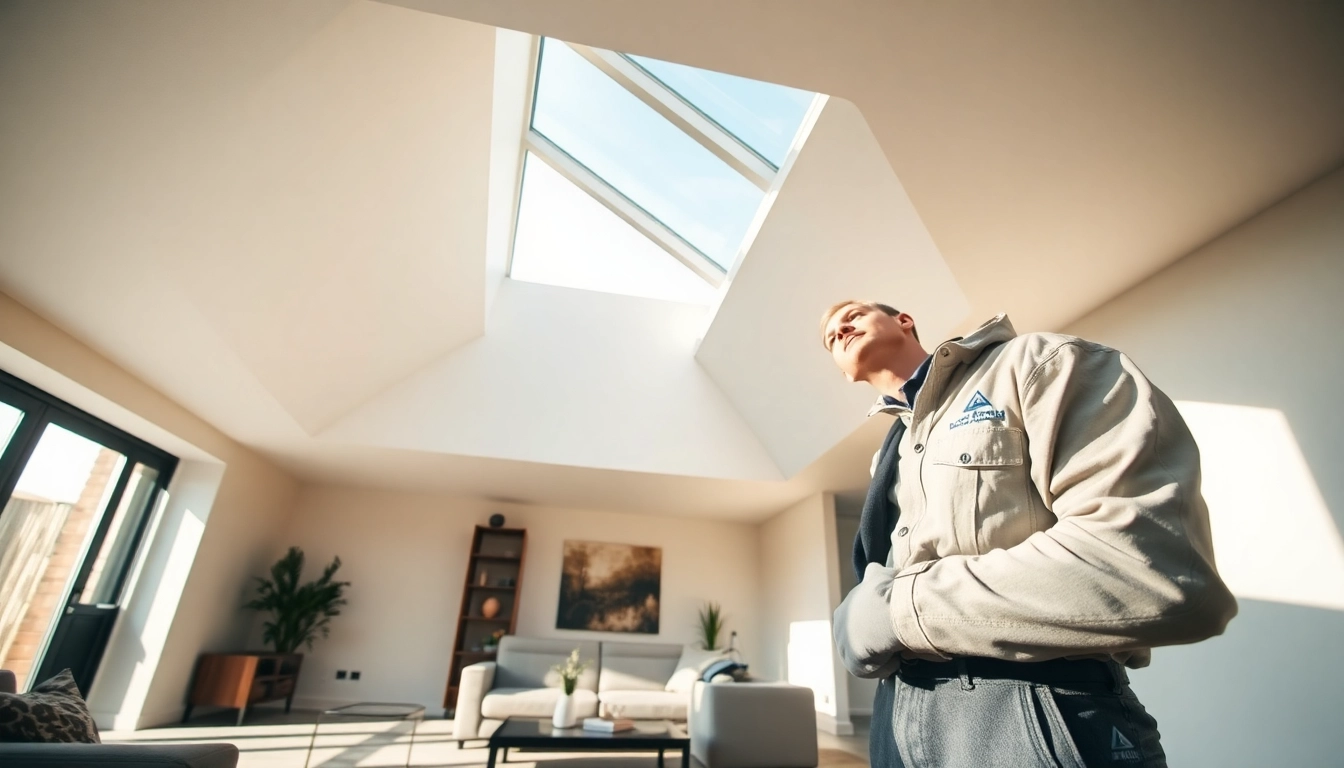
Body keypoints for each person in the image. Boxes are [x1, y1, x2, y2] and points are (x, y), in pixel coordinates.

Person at [822, 302, 1236, 767]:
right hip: (896, 719)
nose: (840, 329)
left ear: (904, 321)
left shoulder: (1037, 363)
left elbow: (1155, 569)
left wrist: (896, 610)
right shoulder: (885, 460)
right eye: (830, 337)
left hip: (1038, 709)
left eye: (851, 315)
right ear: (843, 373)